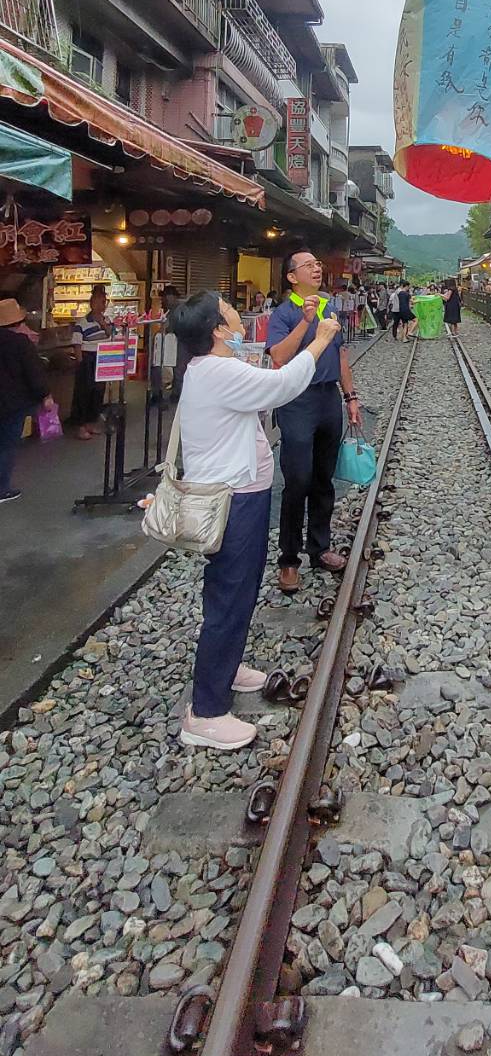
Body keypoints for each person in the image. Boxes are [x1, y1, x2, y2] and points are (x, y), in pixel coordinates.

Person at [170, 291, 341, 750]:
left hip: (240, 493)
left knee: (238, 589)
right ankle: (205, 712)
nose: (235, 312)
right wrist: (321, 337)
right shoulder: (219, 370)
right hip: (234, 499)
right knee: (229, 596)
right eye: (226, 309)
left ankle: (226, 670)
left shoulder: (211, 367)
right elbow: (282, 386)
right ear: (217, 330)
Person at [266, 251, 362, 593]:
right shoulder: (285, 313)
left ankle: (319, 547)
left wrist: (350, 397)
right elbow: (278, 356)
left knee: (324, 478)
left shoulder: (331, 308)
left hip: (327, 400)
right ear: (292, 277)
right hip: (296, 401)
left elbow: (340, 356)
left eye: (317, 263)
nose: (317, 267)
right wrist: (306, 322)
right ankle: (288, 559)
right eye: (309, 265)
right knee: (298, 480)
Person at [0, 299, 54, 503]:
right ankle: (2, 488)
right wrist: (45, 395)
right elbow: (34, 374)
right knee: (7, 445)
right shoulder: (20, 343)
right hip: (13, 403)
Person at [70, 283, 113, 439]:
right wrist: (80, 362)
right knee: (84, 392)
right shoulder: (82, 323)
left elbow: (112, 335)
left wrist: (102, 323)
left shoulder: (106, 320)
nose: (102, 305)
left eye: (104, 302)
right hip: (88, 359)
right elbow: (77, 344)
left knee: (98, 391)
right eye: (100, 302)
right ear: (92, 302)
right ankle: (81, 425)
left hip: (102, 358)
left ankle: (91, 422)